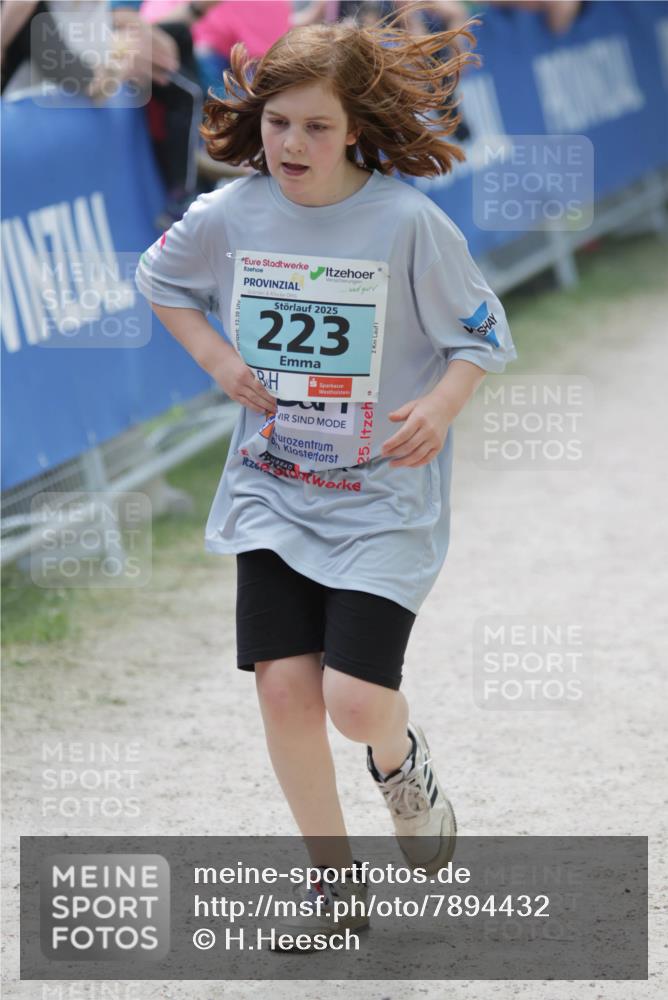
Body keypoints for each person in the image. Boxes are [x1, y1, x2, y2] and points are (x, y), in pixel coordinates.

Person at [135, 1, 517, 951]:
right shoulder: (230, 212)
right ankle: (334, 892)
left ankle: (401, 766)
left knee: (354, 702)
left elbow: (482, 335)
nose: (292, 144)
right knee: (282, 689)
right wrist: (223, 365)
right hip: (274, 482)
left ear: (356, 131)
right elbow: (161, 281)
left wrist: (438, 405)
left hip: (382, 497)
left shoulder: (406, 223)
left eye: (316, 126)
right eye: (276, 123)